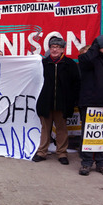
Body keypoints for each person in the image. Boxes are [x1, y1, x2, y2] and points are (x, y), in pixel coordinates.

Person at [33, 36, 80, 165]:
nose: (55, 49)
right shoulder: (42, 64)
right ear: (49, 48)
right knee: (45, 129)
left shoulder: (69, 64)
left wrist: (71, 100)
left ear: (62, 49)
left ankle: (62, 153)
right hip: (45, 102)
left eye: (58, 47)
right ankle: (41, 152)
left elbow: (76, 84)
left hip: (62, 103)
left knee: (62, 129)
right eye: (53, 47)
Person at [78, 34, 103, 177]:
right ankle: (86, 163)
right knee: (88, 135)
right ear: (99, 46)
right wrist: (95, 46)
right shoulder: (88, 60)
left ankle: (102, 163)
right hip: (90, 105)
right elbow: (86, 59)